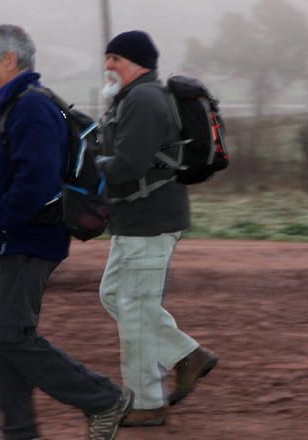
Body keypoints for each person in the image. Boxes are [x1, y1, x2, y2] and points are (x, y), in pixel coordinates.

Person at [0, 24, 132, 440]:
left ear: (10, 60)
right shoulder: (17, 104)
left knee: (11, 334)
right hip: (15, 238)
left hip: (27, 239)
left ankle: (103, 398)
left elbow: (37, 181)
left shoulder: (30, 107)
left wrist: (0, 221)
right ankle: (20, 430)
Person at [97, 30, 218, 427]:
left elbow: (128, 164)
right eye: (108, 58)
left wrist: (83, 171)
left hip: (150, 220)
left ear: (138, 63)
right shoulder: (130, 99)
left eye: (115, 58)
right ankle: (186, 356)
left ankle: (147, 403)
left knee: (134, 307)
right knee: (115, 295)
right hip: (137, 219)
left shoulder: (144, 100)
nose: (108, 65)